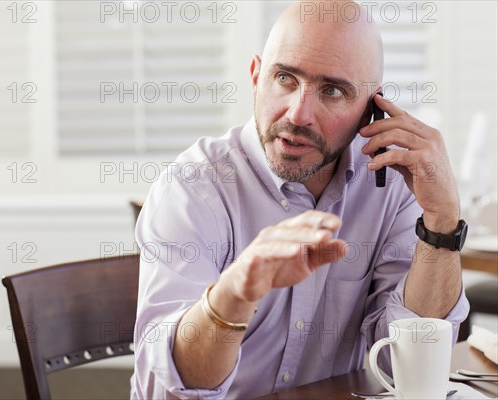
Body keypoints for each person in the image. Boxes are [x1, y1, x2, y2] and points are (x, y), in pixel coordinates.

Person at [131, 1, 469, 398]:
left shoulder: (392, 185)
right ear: (257, 77)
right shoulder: (193, 187)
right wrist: (234, 293)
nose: (298, 113)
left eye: (332, 90)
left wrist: (442, 221)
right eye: (285, 78)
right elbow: (167, 392)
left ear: (369, 111)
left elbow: (404, 368)